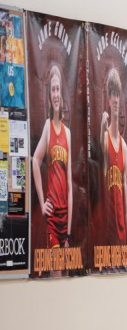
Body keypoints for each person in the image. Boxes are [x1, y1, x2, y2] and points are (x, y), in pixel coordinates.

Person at [31, 62, 73, 249]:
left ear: (61, 93)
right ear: (50, 96)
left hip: (65, 219)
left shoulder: (68, 133)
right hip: (52, 216)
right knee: (56, 271)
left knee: (64, 272)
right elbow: (35, 161)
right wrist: (42, 202)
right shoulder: (47, 126)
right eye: (53, 90)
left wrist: (69, 232)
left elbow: (70, 187)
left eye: (58, 90)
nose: (56, 94)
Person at [101, 68, 127, 250]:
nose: (115, 99)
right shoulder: (104, 138)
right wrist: (101, 127)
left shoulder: (125, 147)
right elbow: (101, 147)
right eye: (112, 94)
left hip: (121, 230)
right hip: (108, 230)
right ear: (108, 98)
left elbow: (126, 198)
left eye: (117, 94)